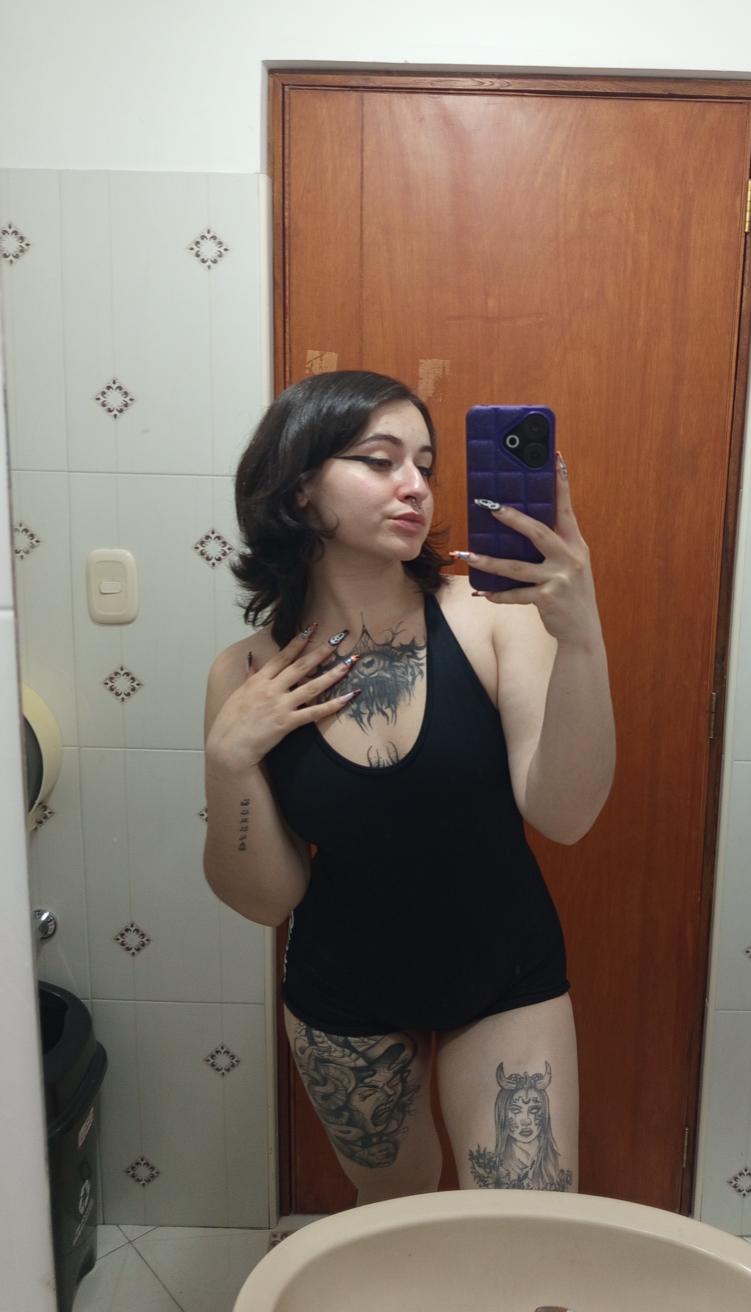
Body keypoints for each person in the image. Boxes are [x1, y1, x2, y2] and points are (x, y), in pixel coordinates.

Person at [202, 370, 615, 1205]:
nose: (416, 486)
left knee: (525, 1226)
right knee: (394, 1217)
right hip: (344, 992)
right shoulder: (245, 673)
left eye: (424, 464)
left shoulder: (493, 617)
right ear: (300, 486)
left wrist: (581, 637)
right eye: (379, 460)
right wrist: (229, 760)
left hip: (504, 974)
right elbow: (266, 899)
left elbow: (565, 817)